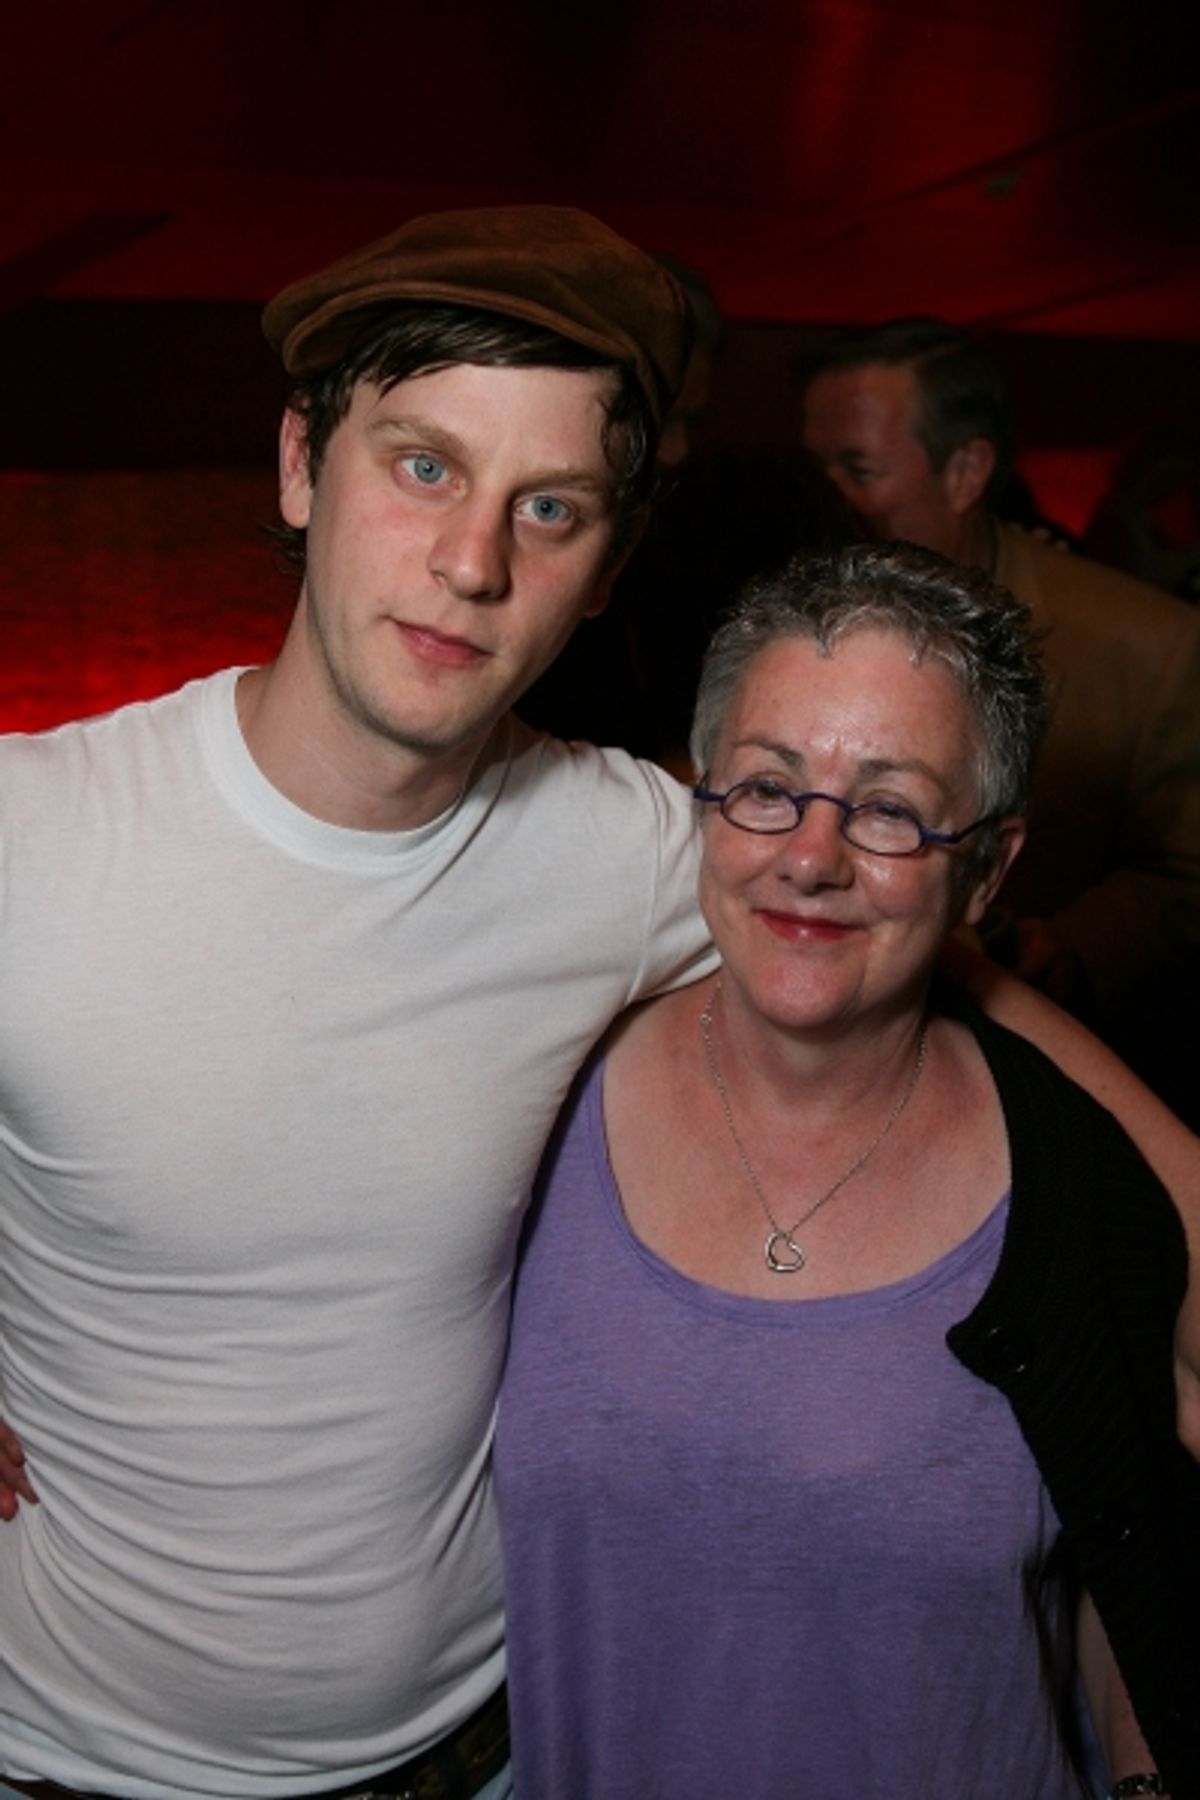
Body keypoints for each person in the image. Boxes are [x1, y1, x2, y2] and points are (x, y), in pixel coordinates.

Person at [1, 212, 1198, 1800]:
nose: (472, 560)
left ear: (606, 569)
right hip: (74, 1766)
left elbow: (915, 942)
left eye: (546, 507)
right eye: (422, 465)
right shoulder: (34, 832)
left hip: (492, 1757)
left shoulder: (628, 840)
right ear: (302, 464)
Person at [495, 543, 1200, 1799]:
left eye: (888, 807)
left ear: (986, 866)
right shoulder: (530, 1102)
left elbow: (1136, 1579)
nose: (812, 856)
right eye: (768, 785)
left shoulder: (1079, 1192)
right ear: (700, 802)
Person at [800, 318, 1200, 1118]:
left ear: (967, 471)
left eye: (859, 468)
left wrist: (1069, 946)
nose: (830, 499)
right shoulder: (785, 631)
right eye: (817, 468)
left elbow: (1185, 868)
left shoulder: (1147, 645)